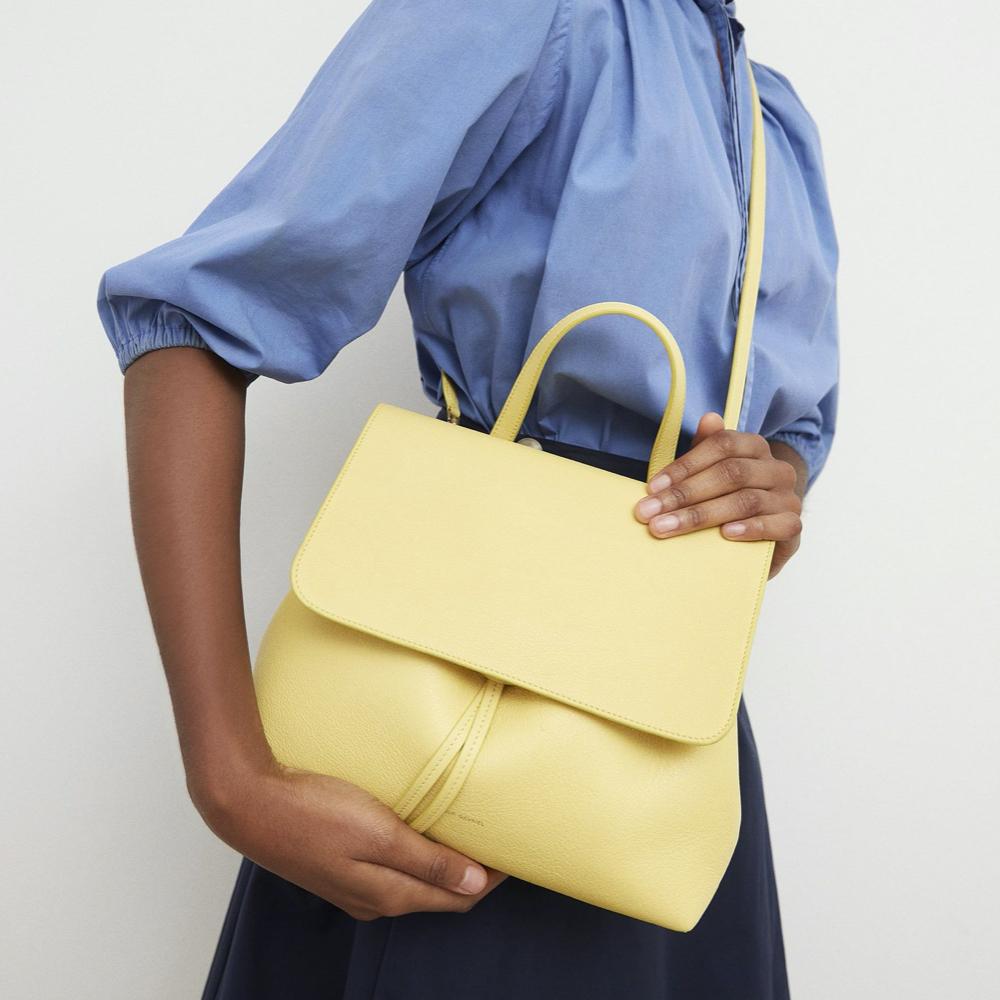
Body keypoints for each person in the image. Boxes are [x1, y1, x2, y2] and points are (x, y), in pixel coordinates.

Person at [96, 1, 838, 997]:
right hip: (463, 682)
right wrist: (228, 773)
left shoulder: (769, 111)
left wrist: (771, 481)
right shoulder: (523, 14)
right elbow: (190, 326)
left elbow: (788, 430)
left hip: (665, 737)